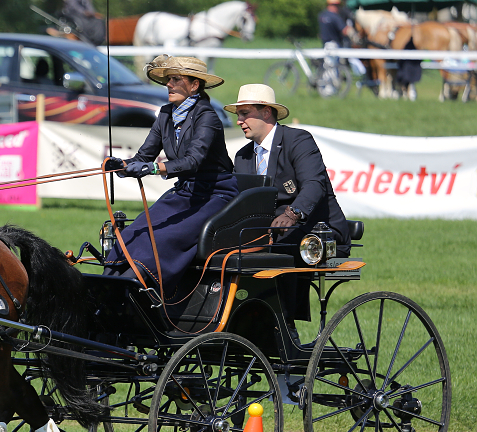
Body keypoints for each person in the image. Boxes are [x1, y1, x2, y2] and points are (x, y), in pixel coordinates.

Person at [103, 55, 237, 297]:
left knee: (162, 238)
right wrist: (122, 165)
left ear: (194, 85)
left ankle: (143, 294)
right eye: (168, 79)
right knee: (134, 232)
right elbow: (144, 156)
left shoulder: (207, 116)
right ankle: (110, 289)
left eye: (176, 79)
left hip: (215, 195)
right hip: (185, 192)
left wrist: (154, 169)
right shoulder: (165, 114)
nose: (169, 84)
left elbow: (193, 161)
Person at [224, 83, 351, 328]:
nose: (239, 120)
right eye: (238, 115)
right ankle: (242, 324)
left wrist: (292, 214)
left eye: (245, 113)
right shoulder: (242, 156)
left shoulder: (298, 140)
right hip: (270, 235)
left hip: (319, 233)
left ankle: (283, 325)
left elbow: (315, 184)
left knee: (277, 250)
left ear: (266, 112)